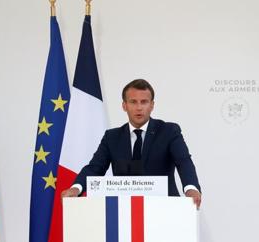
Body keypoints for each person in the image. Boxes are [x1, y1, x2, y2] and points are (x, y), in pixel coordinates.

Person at [62, 79, 202, 208]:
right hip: (124, 211)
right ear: (124, 105)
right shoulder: (111, 137)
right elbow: (94, 168)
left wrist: (191, 189)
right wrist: (77, 188)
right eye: (133, 102)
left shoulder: (169, 131)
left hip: (164, 208)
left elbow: (184, 162)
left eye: (144, 102)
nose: (139, 108)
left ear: (152, 105)